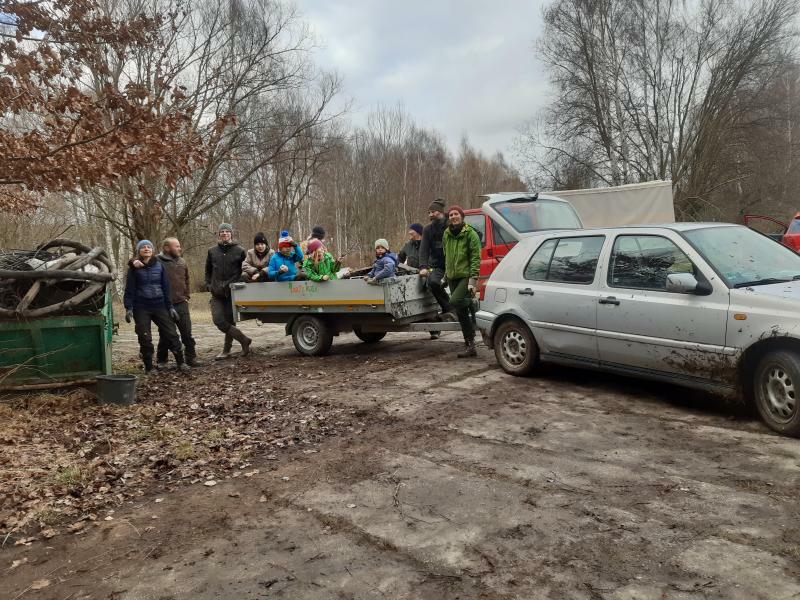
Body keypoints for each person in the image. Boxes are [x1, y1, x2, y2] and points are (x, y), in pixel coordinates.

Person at [124, 240, 186, 372]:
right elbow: (129, 289)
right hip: (141, 307)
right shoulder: (133, 269)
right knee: (145, 337)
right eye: (143, 247)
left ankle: (181, 363)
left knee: (171, 334)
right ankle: (149, 367)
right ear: (139, 251)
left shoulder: (159, 265)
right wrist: (128, 308)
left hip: (160, 305)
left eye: (149, 247)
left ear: (152, 250)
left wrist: (170, 307)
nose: (146, 249)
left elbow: (166, 287)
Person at [205, 223, 251, 360]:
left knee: (230, 321)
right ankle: (243, 339)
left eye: (227, 231)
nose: (224, 233)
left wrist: (239, 282)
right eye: (222, 231)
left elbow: (245, 269)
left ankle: (226, 350)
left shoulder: (240, 250)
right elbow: (208, 270)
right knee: (218, 320)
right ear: (218, 234)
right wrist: (209, 285)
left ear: (231, 234)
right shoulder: (212, 251)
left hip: (232, 291)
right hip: (217, 292)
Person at [443, 205, 481, 358]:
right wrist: (445, 276)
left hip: (465, 275)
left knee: (455, 300)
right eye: (451, 214)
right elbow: (447, 256)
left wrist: (473, 280)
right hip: (452, 277)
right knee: (461, 310)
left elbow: (476, 258)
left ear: (462, 216)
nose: (453, 216)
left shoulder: (470, 234)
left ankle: (472, 303)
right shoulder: (446, 234)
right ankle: (470, 345)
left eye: (456, 214)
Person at [156, 237, 198, 368]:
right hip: (164, 305)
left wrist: (187, 296)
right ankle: (162, 361)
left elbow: (187, 279)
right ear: (167, 248)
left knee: (187, 333)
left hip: (181, 302)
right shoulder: (156, 261)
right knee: (166, 334)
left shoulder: (182, 261)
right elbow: (138, 261)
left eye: (179, 246)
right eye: (177, 246)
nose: (180, 248)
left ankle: (191, 358)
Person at [418, 199, 450, 339]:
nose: (430, 214)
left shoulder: (450, 225)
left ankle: (459, 311)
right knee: (432, 282)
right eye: (429, 212)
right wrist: (423, 266)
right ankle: (448, 308)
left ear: (441, 212)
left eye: (433, 211)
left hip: (453, 264)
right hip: (438, 265)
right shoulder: (427, 230)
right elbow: (423, 250)